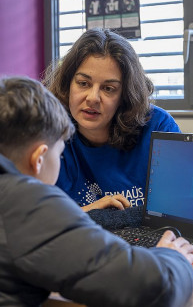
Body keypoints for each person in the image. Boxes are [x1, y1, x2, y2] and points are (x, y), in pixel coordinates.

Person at [0, 76, 193, 307]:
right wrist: (172, 256)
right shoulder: (21, 204)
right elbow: (151, 289)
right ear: (39, 158)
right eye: (59, 152)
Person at [42, 27, 181, 213]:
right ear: (68, 84)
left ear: (125, 95)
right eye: (83, 83)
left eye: (108, 88)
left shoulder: (158, 127)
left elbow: (179, 209)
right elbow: (35, 219)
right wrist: (90, 212)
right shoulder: (48, 131)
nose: (92, 98)